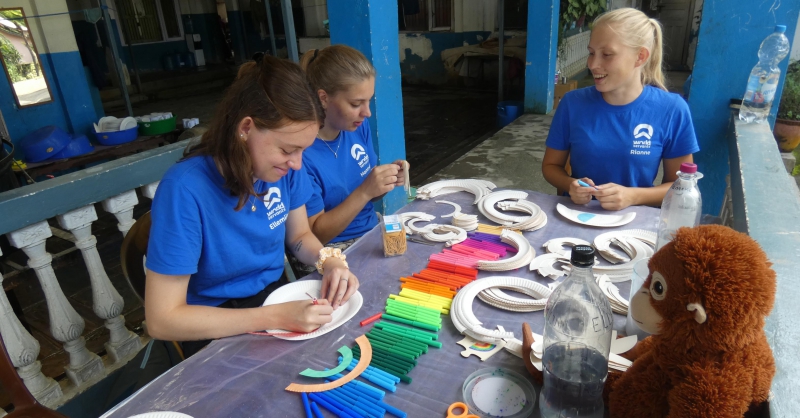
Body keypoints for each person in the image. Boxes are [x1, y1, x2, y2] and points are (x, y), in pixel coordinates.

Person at [144, 55, 359, 357]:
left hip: (276, 296)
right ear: (246, 128)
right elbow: (162, 320)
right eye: (287, 149)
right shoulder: (185, 190)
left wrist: (330, 261)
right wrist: (273, 317)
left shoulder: (283, 171)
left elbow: (298, 237)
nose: (297, 164)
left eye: (302, 151)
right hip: (215, 322)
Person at [542, 8, 699, 211]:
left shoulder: (672, 109)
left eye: (607, 54)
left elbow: (681, 187)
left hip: (635, 225)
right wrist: (570, 185)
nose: (593, 64)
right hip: (578, 217)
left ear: (640, 57)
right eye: (591, 53)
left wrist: (632, 196)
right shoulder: (572, 103)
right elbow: (551, 166)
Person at [296, 45, 406, 261]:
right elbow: (315, 234)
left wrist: (386, 181)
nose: (367, 112)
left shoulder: (356, 127)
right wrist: (365, 191)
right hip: (332, 252)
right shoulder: (300, 153)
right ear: (323, 98)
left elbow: (367, 196)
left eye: (368, 101)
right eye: (356, 103)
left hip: (371, 230)